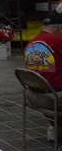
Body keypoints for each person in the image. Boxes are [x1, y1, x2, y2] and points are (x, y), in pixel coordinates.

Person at [24, 11, 62, 141]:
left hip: (32, 95)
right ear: (61, 28)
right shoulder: (58, 41)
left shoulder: (31, 43)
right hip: (54, 98)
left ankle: (54, 127)